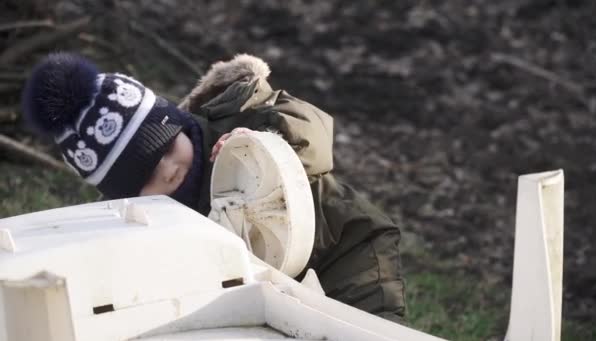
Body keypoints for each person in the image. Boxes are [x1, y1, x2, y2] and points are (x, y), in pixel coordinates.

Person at [22, 52, 406, 323]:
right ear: (127, 196)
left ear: (177, 121)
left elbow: (312, 131)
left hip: (340, 248)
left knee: (369, 330)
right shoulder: (142, 224)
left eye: (169, 148)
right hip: (266, 286)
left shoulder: (238, 122)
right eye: (150, 175)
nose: (171, 170)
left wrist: (263, 142)